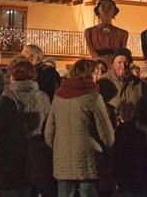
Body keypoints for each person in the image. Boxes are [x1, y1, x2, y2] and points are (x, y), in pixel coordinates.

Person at [44, 59, 115, 197]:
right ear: (89, 74)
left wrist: (58, 149)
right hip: (89, 158)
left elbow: (49, 132)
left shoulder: (59, 96)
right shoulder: (93, 97)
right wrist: (110, 153)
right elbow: (106, 133)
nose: (96, 77)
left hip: (63, 158)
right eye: (95, 73)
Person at [0, 59, 53, 196]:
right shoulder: (43, 97)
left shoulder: (8, 97)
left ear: (13, 75)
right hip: (36, 153)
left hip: (9, 154)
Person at [112, 100, 147, 197]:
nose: (126, 113)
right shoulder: (116, 132)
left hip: (141, 176)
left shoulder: (142, 130)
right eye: (124, 110)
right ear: (119, 112)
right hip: (125, 177)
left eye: (129, 110)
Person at [98, 48, 147, 125]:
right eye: (119, 63)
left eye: (125, 62)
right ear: (113, 64)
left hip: (133, 130)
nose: (123, 66)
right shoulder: (103, 82)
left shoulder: (139, 84)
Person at [84, 0, 128, 66]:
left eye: (110, 7)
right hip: (98, 66)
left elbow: (122, 53)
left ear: (114, 10)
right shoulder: (89, 32)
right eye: (103, 7)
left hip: (115, 67)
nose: (106, 10)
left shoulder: (123, 33)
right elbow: (91, 50)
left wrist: (114, 65)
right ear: (98, 10)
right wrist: (101, 64)